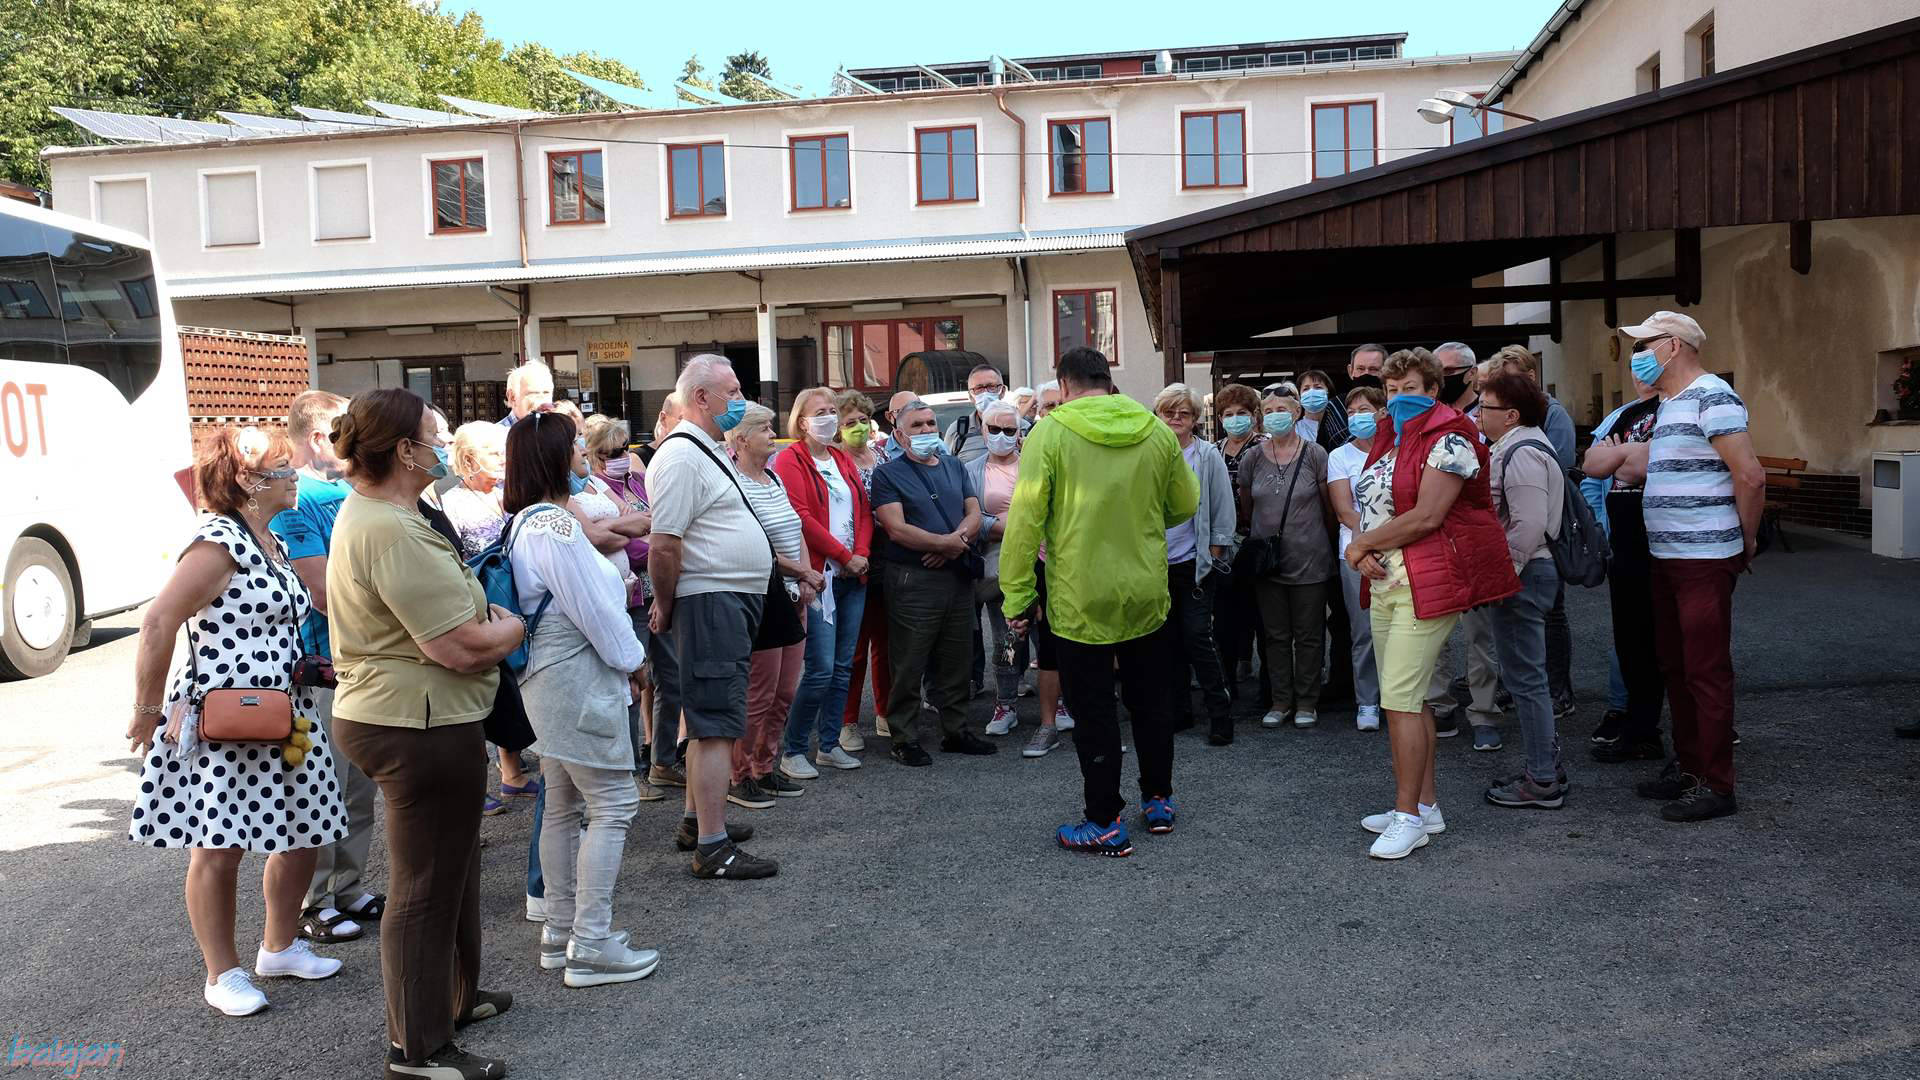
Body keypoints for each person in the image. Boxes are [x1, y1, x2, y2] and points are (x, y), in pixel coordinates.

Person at [325, 388, 522, 1077]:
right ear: (405, 451)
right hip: (416, 723)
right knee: (425, 887)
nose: (442, 446)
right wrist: (511, 630)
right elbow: (459, 646)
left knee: (452, 868)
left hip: (421, 715)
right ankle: (418, 1049)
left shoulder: (391, 514)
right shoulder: (390, 527)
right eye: (432, 437)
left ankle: (454, 1002)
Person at [127, 424, 349, 1017]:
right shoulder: (218, 540)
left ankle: (278, 947)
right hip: (229, 718)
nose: (295, 475)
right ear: (249, 480)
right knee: (218, 846)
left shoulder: (268, 539)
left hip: (287, 710)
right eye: (284, 468)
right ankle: (221, 973)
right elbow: (158, 622)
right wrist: (147, 709)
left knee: (307, 829)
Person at [1001, 347, 1198, 856]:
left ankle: (1104, 820)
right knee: (1151, 703)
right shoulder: (1155, 430)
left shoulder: (1049, 433)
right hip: (1145, 591)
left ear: (1064, 385)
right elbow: (1184, 503)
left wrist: (1018, 595)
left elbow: (1024, 523)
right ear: (1108, 382)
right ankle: (1158, 799)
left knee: (1094, 712)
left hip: (1080, 596)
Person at [501, 413, 658, 988]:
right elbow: (596, 610)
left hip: (549, 681)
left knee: (564, 804)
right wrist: (635, 663)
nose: (582, 454)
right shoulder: (555, 526)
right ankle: (590, 942)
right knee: (613, 804)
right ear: (552, 458)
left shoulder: (525, 522)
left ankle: (561, 931)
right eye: (572, 446)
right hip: (577, 681)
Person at [1344, 349, 1519, 861]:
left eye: (1411, 388)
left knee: (1400, 702)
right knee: (1410, 699)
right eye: (1392, 390)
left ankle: (1408, 818)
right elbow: (1376, 507)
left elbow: (1428, 515)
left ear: (1434, 390)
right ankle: (1425, 807)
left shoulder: (1452, 437)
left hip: (1427, 582)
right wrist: (1366, 550)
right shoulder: (1393, 437)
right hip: (1388, 581)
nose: (1400, 398)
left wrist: (1361, 545)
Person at [1616, 312, 1764, 822]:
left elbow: (1750, 475)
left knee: (1704, 670)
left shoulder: (1712, 397)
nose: (1637, 355)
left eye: (1645, 345)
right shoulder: (1670, 403)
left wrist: (1745, 540)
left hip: (1703, 557)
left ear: (1674, 346)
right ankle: (1689, 768)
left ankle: (1717, 785)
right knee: (1676, 667)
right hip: (1669, 556)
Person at [646, 355, 780, 878]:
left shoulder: (701, 448)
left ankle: (697, 822)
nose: (742, 401)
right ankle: (712, 846)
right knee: (716, 723)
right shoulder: (682, 454)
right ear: (702, 397)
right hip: (711, 600)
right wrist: (665, 603)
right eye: (734, 391)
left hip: (725, 598)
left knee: (712, 720)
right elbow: (664, 545)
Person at [263, 391, 385, 947]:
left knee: (357, 787)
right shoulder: (298, 498)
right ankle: (315, 901)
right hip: (322, 668)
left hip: (357, 661)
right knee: (323, 788)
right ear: (318, 438)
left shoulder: (342, 491)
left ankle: (347, 887)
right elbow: (320, 589)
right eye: (343, 429)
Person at [869, 398, 994, 765]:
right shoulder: (888, 474)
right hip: (914, 580)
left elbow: (974, 512)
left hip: (956, 578)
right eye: (916, 426)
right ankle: (904, 737)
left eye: (929, 424)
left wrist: (952, 545)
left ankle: (956, 730)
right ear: (899, 435)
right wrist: (946, 544)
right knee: (910, 660)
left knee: (957, 658)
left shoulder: (954, 465)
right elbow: (895, 528)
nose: (926, 430)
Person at [1476, 372, 1569, 809]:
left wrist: (1503, 576)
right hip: (1527, 572)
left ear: (1511, 415)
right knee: (1527, 677)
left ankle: (1542, 779)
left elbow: (1528, 525)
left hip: (1525, 573)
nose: (1479, 414)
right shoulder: (1516, 446)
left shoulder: (1522, 451)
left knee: (1526, 680)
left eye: (1486, 407)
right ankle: (1544, 767)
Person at [773, 387, 872, 777]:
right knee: (820, 669)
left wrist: (859, 555)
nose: (830, 417)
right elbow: (801, 517)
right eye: (821, 412)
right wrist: (845, 557)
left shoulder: (840, 457)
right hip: (819, 577)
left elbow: (862, 509)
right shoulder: (790, 459)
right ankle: (795, 748)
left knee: (844, 666)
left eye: (833, 410)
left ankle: (829, 745)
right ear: (801, 422)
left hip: (852, 576)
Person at [726, 404, 822, 804]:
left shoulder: (773, 478)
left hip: (793, 593)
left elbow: (795, 529)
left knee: (784, 692)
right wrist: (801, 571)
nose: (772, 434)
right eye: (764, 428)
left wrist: (805, 574)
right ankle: (739, 774)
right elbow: (756, 545)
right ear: (741, 439)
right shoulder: (733, 483)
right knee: (759, 694)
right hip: (763, 594)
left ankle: (765, 767)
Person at [1582, 375, 1668, 763]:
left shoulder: (1683, 409)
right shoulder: (1626, 414)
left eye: (1646, 352)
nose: (1639, 367)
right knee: (1631, 640)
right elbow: (1592, 465)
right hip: (1624, 542)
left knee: (1673, 639)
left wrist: (1620, 454)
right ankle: (1639, 731)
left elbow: (1639, 468)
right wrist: (1627, 454)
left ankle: (1696, 738)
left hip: (1665, 542)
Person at [1241, 387, 1337, 730]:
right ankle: (1281, 700)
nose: (1276, 415)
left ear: (1296, 413)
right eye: (1268, 410)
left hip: (1310, 558)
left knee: (1309, 634)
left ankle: (1307, 701)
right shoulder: (1253, 457)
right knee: (1275, 635)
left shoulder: (1315, 454)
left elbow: (1328, 507)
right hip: (1268, 562)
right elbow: (1247, 504)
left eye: (1282, 409)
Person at [1152, 383, 1236, 744]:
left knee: (1197, 637)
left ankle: (1220, 714)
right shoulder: (1149, 453)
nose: (1175, 418)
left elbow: (1223, 508)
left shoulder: (1207, 456)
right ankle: (1180, 711)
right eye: (1168, 412)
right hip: (1157, 565)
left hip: (1195, 563)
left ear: (1195, 419)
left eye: (1183, 413)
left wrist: (1214, 555)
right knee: (1167, 642)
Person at [965, 399, 1030, 736]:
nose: (1001, 435)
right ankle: (1006, 704)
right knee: (1005, 639)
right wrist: (999, 524)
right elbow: (969, 518)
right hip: (996, 568)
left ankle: (1061, 702)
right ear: (982, 429)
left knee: (1049, 639)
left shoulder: (1033, 464)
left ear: (1019, 432)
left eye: (1009, 429)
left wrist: (1011, 523)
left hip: (1039, 562)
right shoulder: (971, 470)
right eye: (994, 429)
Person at [1326, 385, 1387, 732]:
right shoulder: (1340, 455)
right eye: (1351, 412)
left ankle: (1399, 698)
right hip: (1355, 552)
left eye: (1363, 410)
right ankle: (1367, 700)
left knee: (1400, 629)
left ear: (1382, 412)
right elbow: (1344, 510)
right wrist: (1369, 544)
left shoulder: (1398, 449)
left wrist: (1387, 539)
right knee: (1363, 630)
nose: (1356, 417)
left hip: (1397, 549)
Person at [835, 390, 890, 750]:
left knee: (886, 643)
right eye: (849, 422)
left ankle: (885, 713)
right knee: (852, 648)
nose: (858, 427)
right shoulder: (834, 461)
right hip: (851, 560)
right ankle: (847, 721)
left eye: (863, 420)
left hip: (887, 557)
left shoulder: (882, 455)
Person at [1210, 382, 1266, 703]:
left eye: (1241, 412)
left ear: (1254, 415)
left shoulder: (1264, 446)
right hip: (1223, 541)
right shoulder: (1214, 450)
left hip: (1255, 538)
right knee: (1226, 614)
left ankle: (1265, 685)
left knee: (1259, 611)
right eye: (1228, 414)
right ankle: (1228, 677)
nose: (1235, 419)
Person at [644, 393, 689, 787]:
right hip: (636, 596)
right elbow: (657, 540)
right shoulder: (653, 460)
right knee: (634, 683)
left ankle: (661, 762)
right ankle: (634, 769)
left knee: (670, 678)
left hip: (651, 589)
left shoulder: (631, 479)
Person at [944, 363, 1009, 464]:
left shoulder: (1022, 428)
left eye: (991, 386)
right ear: (970, 396)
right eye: (979, 388)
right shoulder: (957, 431)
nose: (985, 393)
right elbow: (948, 467)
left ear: (1003, 391)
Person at [1294, 368, 1350, 452]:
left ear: (1328, 391)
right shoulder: (1295, 430)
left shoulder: (1341, 423)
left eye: (1318, 387)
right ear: (1300, 395)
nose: (1312, 392)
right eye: (1306, 389)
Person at [498, 359, 555, 427]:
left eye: (546, 393)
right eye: (534, 394)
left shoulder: (559, 430)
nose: (542, 401)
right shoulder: (497, 433)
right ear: (512, 397)